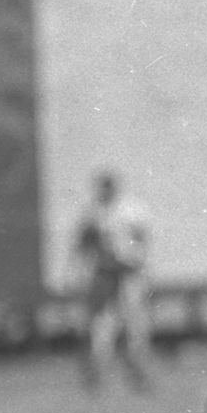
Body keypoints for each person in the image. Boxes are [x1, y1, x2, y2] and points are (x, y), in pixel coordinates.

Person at [72, 168, 154, 392]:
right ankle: (97, 373)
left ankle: (138, 373)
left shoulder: (131, 209)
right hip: (106, 274)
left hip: (129, 273)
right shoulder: (94, 211)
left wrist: (137, 263)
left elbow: (142, 240)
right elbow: (84, 243)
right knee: (104, 325)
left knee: (136, 325)